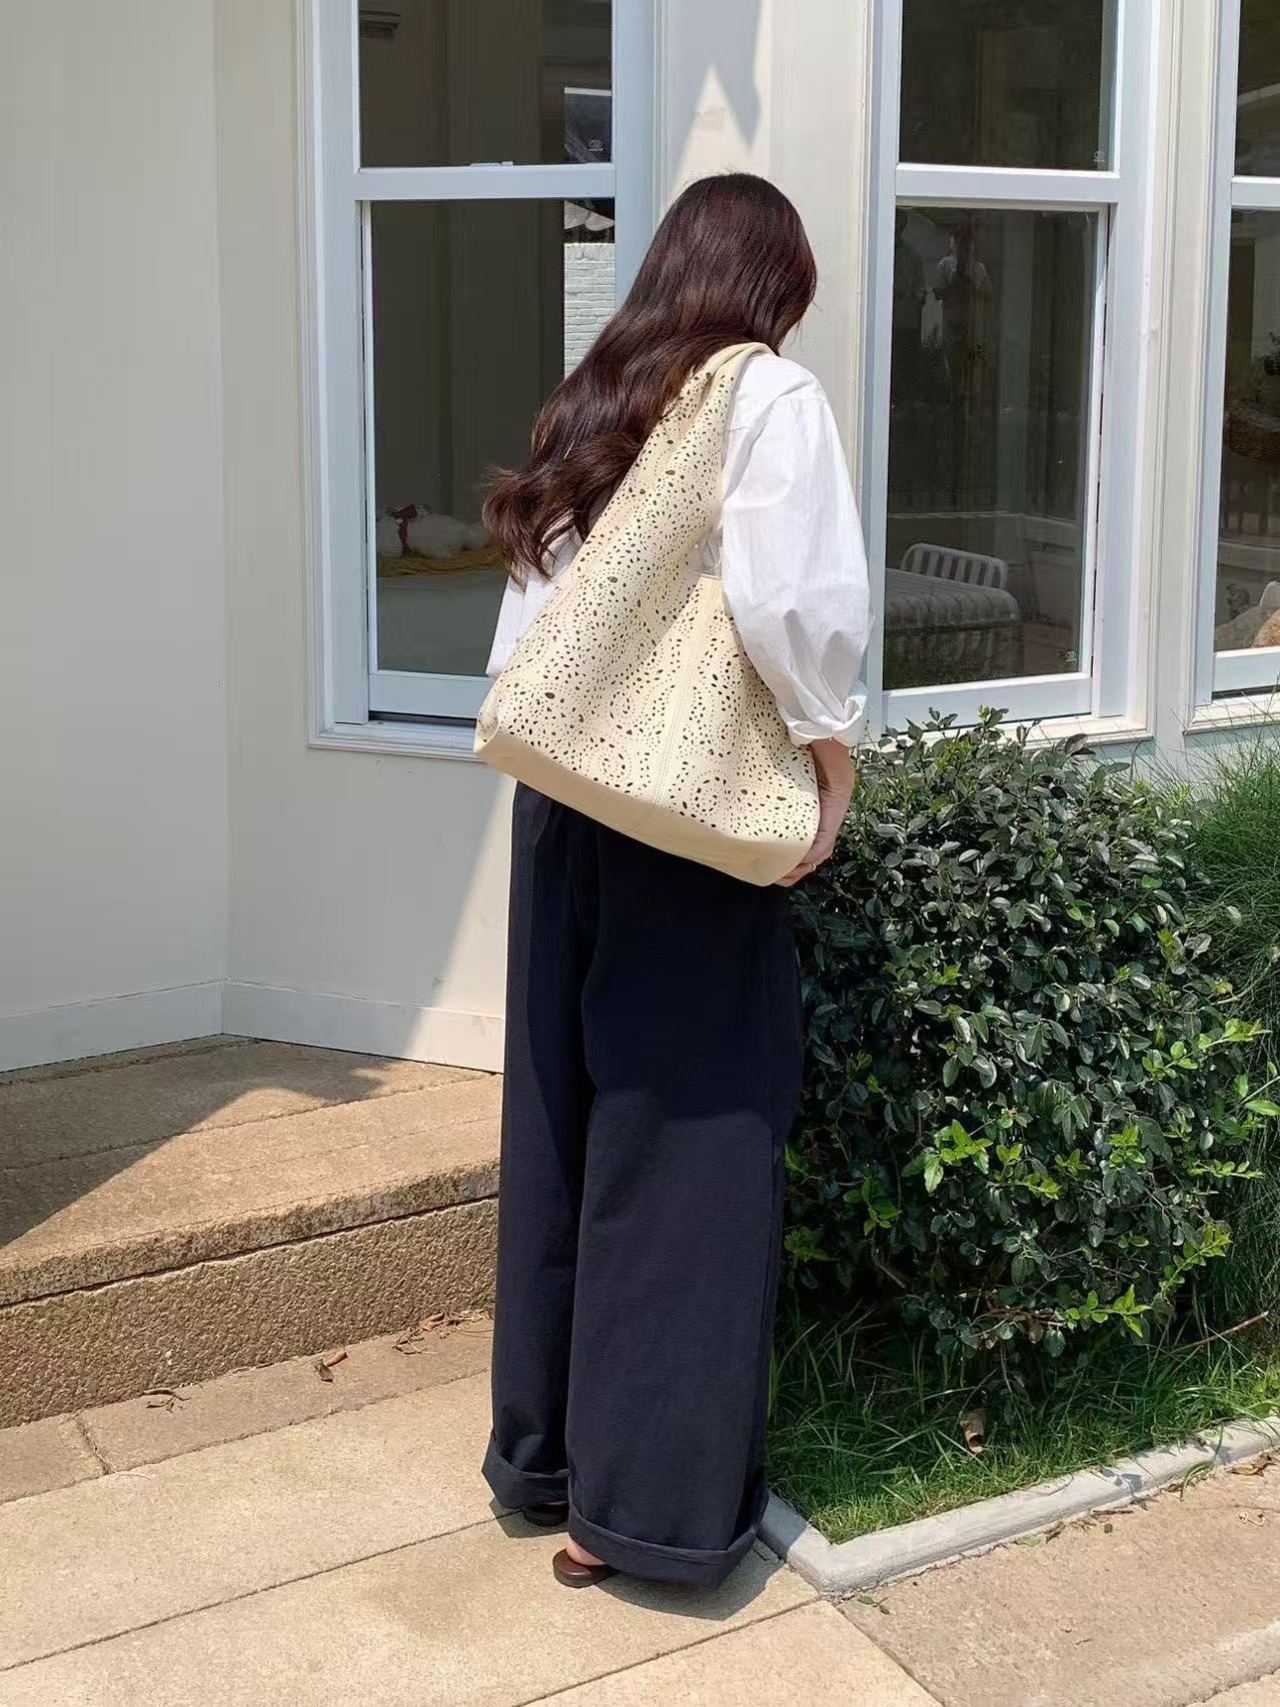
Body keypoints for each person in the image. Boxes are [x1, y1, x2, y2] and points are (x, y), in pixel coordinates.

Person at [479, 172, 871, 1590]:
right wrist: (831, 763)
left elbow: (536, 622)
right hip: (685, 821)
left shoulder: (594, 402)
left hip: (562, 805)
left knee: (562, 1127)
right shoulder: (766, 397)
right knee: (689, 1146)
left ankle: (545, 1460)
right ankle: (636, 1508)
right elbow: (792, 605)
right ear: (772, 288)